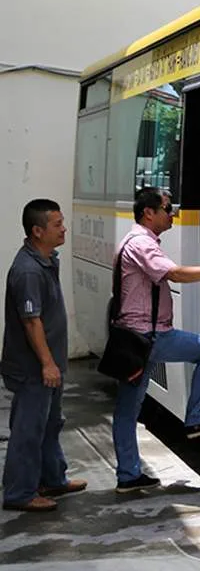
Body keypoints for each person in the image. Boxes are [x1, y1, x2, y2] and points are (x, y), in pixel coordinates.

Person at [112, 187, 200, 493]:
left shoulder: (135, 240)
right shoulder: (142, 245)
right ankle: (197, 420)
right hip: (149, 336)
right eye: (167, 208)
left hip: (134, 337)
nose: (173, 214)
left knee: (127, 410)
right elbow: (174, 274)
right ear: (149, 213)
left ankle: (128, 475)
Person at [2, 199, 87, 512]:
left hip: (51, 366)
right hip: (34, 369)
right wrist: (48, 364)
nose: (64, 228)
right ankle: (19, 493)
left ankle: (52, 478)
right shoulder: (27, 271)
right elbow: (31, 321)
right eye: (57, 225)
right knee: (28, 429)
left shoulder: (47, 260)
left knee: (51, 424)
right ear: (37, 231)